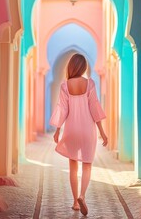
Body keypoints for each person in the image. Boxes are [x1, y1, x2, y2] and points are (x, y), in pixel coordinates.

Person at [50, 53, 108, 216]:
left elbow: (62, 109)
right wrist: (102, 133)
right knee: (87, 164)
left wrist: (57, 130)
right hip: (88, 130)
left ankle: (75, 202)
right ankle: (83, 195)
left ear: (71, 66)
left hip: (71, 130)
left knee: (73, 167)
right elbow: (94, 108)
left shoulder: (65, 85)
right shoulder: (90, 84)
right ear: (83, 67)